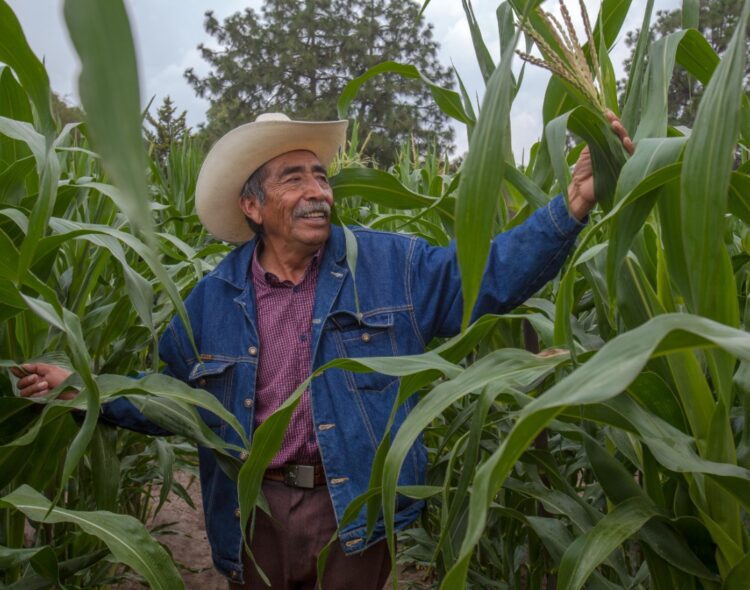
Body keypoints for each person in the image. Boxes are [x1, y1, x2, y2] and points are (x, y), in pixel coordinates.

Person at [13, 112, 634, 589]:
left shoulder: (393, 266)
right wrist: (82, 386)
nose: (318, 191)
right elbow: (167, 399)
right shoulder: (208, 302)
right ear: (252, 207)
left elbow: (488, 278)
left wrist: (573, 203)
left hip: (353, 510)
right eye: (294, 178)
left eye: (320, 176)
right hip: (252, 510)